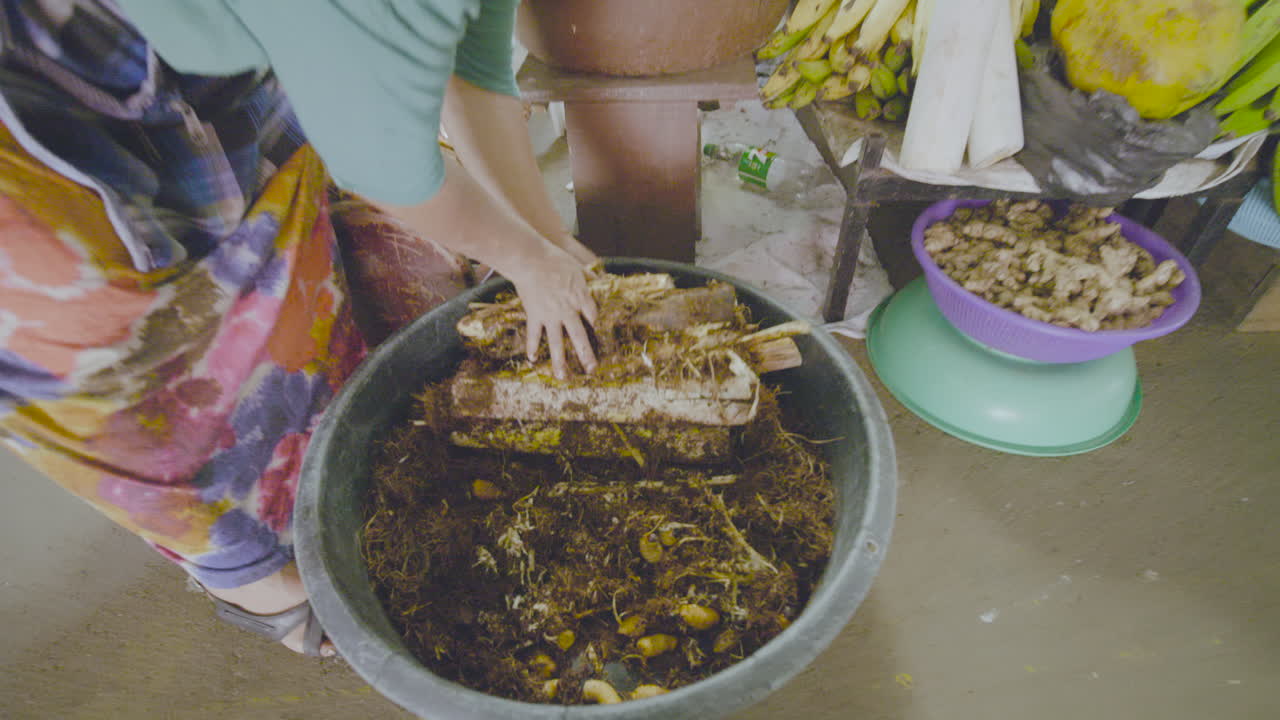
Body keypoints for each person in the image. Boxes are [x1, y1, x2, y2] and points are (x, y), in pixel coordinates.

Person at [0, 0, 598, 656]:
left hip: (178, 78)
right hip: (35, 166)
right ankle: (282, 595)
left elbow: (475, 74)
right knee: (152, 402)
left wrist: (548, 243)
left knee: (287, 323)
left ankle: (344, 500)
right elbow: (388, 173)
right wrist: (522, 258)